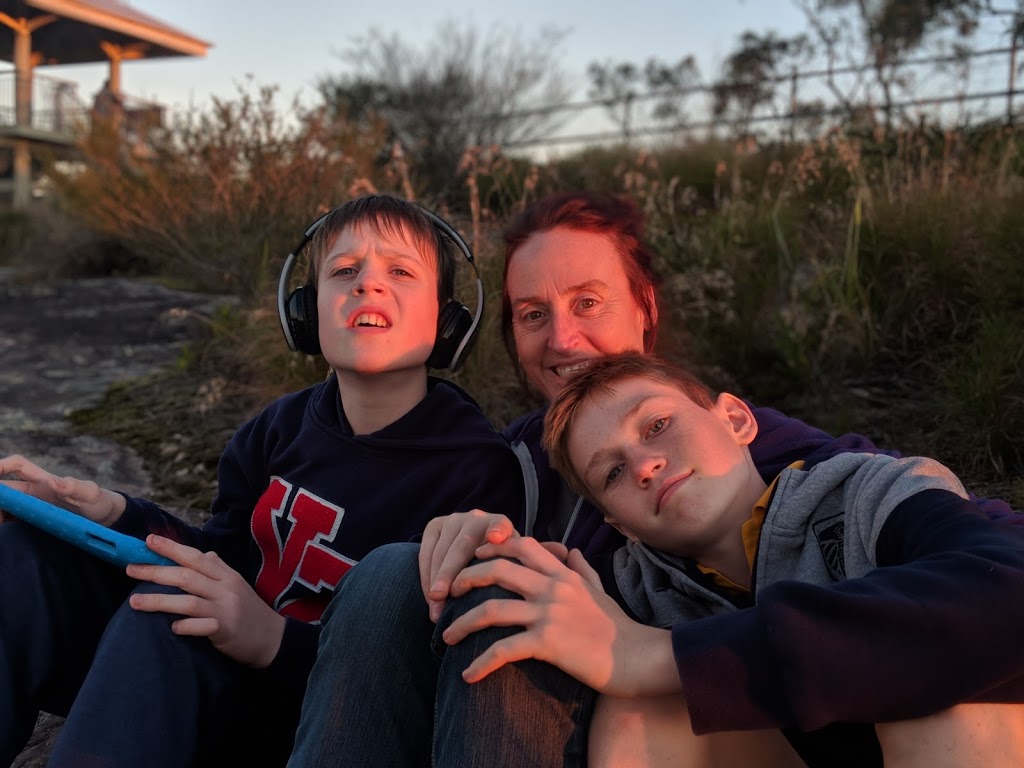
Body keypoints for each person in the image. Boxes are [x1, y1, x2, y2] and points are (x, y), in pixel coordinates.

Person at [287, 191, 1019, 768]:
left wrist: (653, 657)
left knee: (951, 703)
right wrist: (463, 535)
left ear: (646, 308)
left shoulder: (810, 475)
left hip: (796, 706)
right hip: (662, 714)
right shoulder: (505, 460)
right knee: (404, 574)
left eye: (589, 302)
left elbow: (986, 577)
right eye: (533, 314)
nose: (564, 339)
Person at [0, 194, 525, 768]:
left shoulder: (475, 467)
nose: (367, 285)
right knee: (25, 557)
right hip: (215, 686)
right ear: (303, 312)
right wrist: (109, 513)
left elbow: (431, 674)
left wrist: (270, 639)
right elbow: (217, 558)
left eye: (400, 271)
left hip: (326, 722)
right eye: (344, 271)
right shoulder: (274, 431)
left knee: (167, 610)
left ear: (449, 324)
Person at [469, 351, 1022, 766]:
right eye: (611, 473)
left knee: (939, 698)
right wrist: (471, 535)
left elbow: (1005, 596)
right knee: (642, 711)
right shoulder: (635, 595)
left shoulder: (867, 493)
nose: (643, 465)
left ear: (736, 420)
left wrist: (662, 658)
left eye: (657, 425)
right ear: (618, 525)